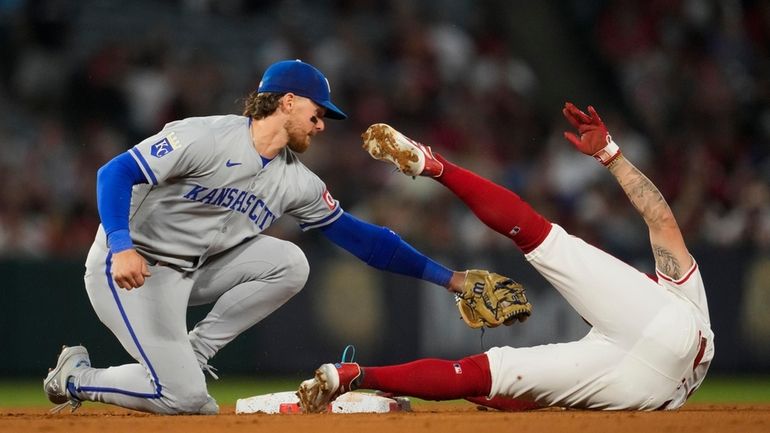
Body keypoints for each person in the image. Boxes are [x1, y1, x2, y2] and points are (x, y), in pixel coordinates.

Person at [42, 59, 503, 415]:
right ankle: (75, 378)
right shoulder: (206, 136)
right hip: (128, 269)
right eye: (317, 112)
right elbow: (114, 171)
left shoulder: (296, 181)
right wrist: (121, 244)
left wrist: (452, 280)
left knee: (292, 264)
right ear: (286, 102)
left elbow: (365, 240)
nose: (321, 125)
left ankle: (196, 351)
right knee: (187, 401)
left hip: (192, 272)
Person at [297, 103, 714, 412]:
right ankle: (349, 377)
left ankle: (434, 164)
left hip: (654, 354)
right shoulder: (658, 311)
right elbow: (509, 395)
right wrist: (396, 386)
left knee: (538, 235)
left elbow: (660, 218)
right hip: (654, 395)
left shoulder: (675, 292)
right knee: (486, 372)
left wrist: (610, 155)